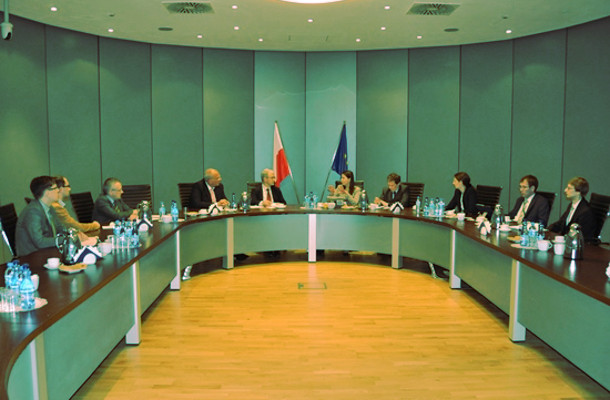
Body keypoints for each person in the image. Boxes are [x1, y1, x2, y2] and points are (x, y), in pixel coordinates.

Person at [15, 176, 64, 256]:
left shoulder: (50, 207)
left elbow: (60, 228)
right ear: (47, 192)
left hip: (46, 252)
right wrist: (65, 240)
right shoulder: (33, 211)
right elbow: (40, 242)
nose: (58, 190)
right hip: (32, 257)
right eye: (55, 188)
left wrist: (74, 234)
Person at [548, 177, 596, 242]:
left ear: (578, 192)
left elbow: (580, 235)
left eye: (569, 188)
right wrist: (545, 230)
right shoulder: (572, 205)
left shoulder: (586, 211)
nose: (565, 190)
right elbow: (561, 223)